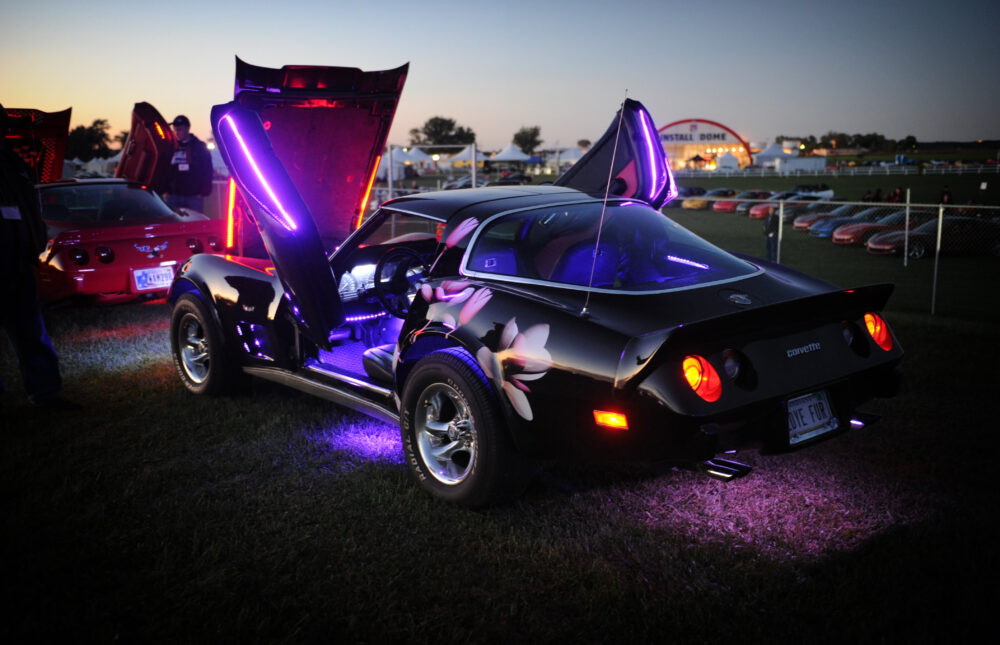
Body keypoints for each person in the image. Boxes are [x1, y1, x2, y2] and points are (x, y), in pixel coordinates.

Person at [0, 104, 74, 409]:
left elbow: (30, 206)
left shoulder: (13, 162)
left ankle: (46, 393)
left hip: (19, 260)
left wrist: (36, 242)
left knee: (31, 328)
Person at [163, 115, 212, 213]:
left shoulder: (199, 146)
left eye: (180, 129)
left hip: (194, 196)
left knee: (195, 225)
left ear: (187, 128)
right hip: (173, 195)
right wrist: (165, 190)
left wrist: (203, 192)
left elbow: (208, 170)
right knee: (172, 225)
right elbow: (163, 169)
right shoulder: (170, 146)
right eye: (175, 130)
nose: (177, 132)